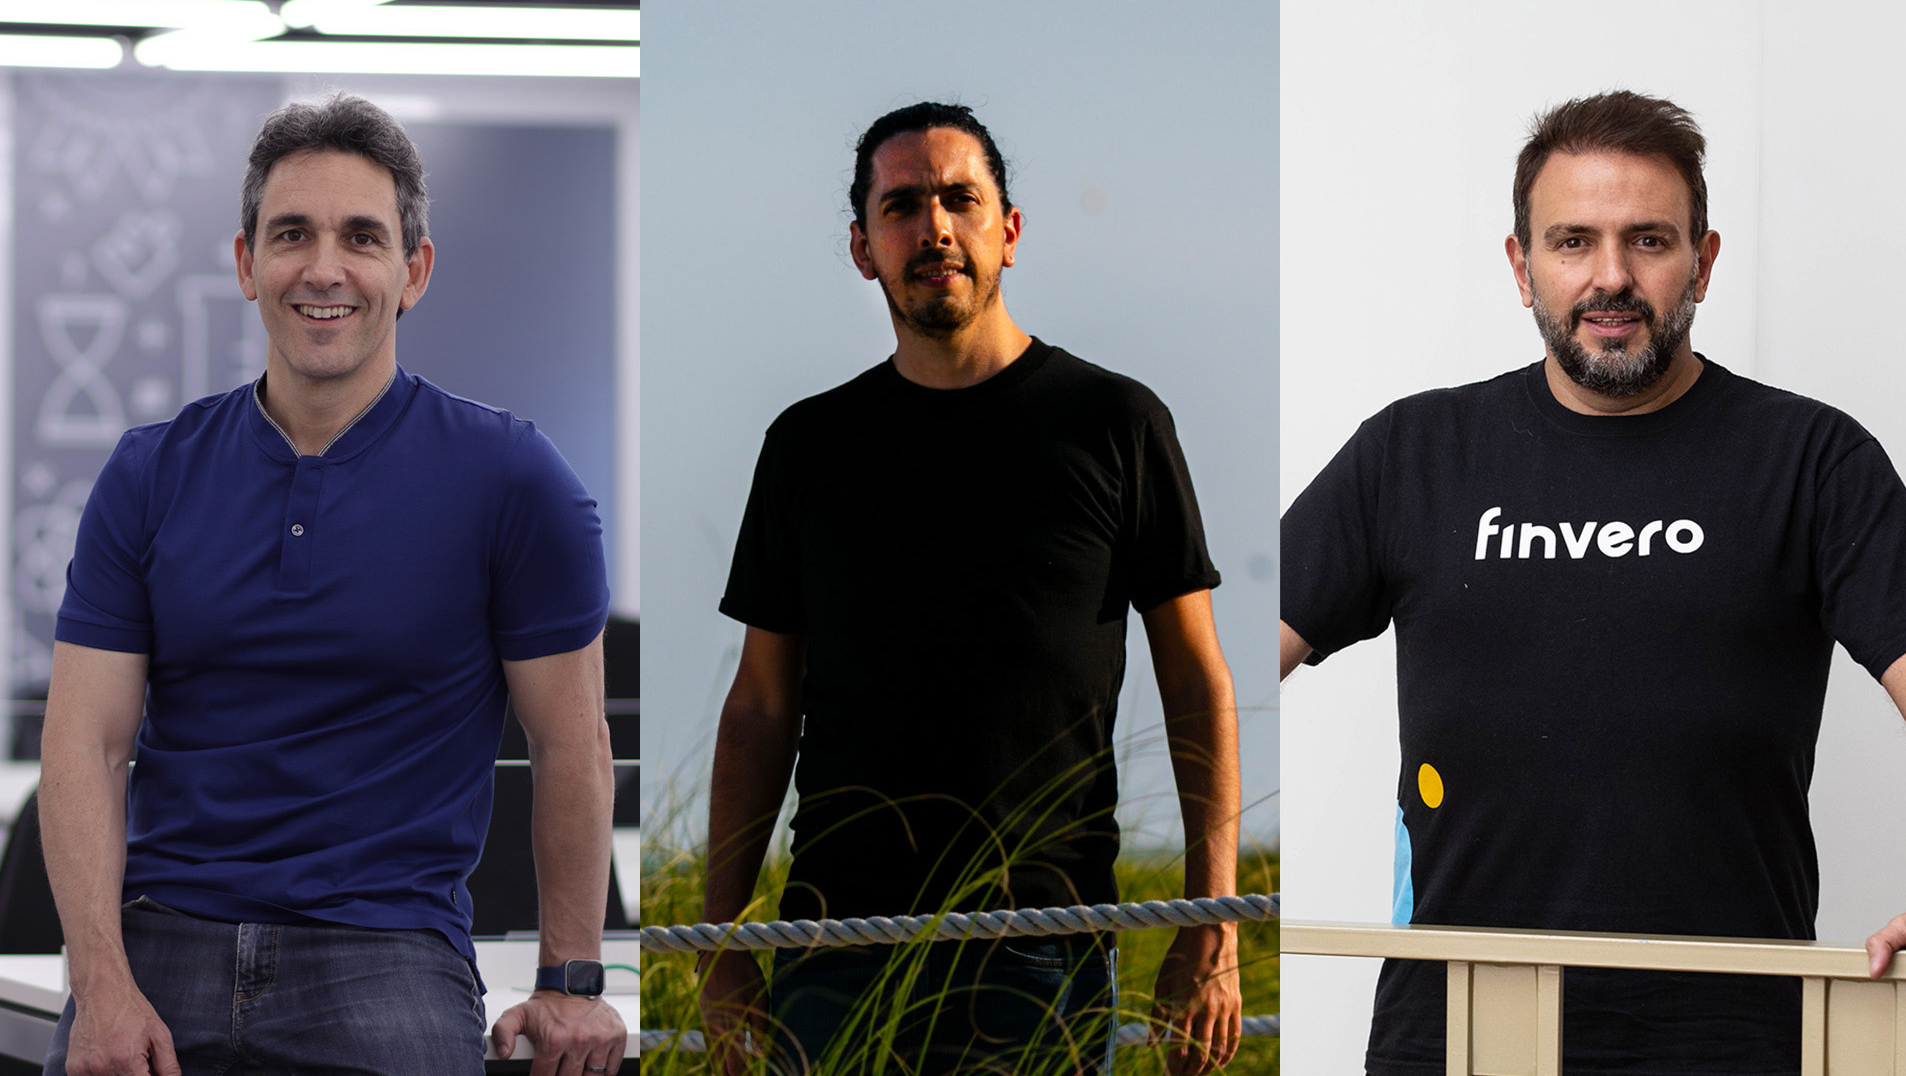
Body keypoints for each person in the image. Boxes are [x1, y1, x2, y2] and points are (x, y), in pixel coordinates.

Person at [1281, 89, 1906, 1073]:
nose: (1610, 277)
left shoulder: (1811, 460)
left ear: (1703, 261)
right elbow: (1222, 649)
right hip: (1454, 1036)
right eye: (1573, 241)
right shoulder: (1414, 454)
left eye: (1650, 241)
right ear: (1520, 263)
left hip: (1732, 1043)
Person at [37, 93, 626, 1076]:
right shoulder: (148, 474)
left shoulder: (514, 480)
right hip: (161, 940)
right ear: (245, 264)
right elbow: (84, 744)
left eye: (362, 237)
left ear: (413, 270)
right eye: (291, 235)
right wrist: (99, 984)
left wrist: (571, 980)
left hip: (386, 953)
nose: (324, 269)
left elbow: (572, 743)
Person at [696, 102, 1243, 1076]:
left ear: (1010, 232)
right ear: (863, 248)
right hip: (830, 947)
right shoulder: (808, 449)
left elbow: (1196, 682)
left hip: (1041, 941)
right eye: (902, 206)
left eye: (961, 199)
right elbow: (760, 705)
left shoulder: (1115, 424)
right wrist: (722, 941)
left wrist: (1213, 922)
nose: (935, 226)